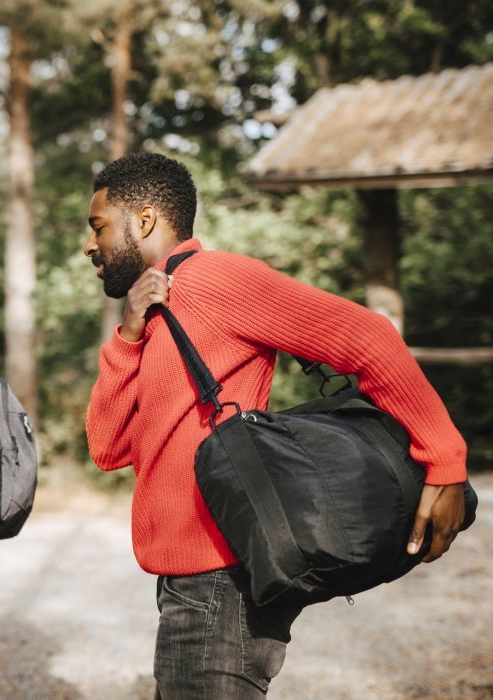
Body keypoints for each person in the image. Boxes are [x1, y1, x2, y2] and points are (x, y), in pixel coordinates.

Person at [82, 152, 468, 698]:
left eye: (98, 226)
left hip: (222, 583)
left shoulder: (214, 278)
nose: (89, 245)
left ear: (143, 219)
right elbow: (107, 446)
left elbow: (368, 337)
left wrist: (445, 459)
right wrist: (127, 337)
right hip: (190, 584)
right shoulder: (158, 307)